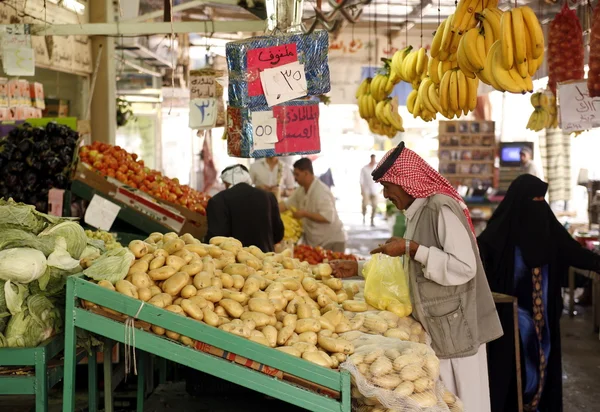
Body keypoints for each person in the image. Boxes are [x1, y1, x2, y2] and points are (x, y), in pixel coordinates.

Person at [331, 142, 502, 411]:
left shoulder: (439, 209)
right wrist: (359, 268)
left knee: (465, 400)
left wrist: (413, 248)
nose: (386, 194)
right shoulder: (417, 211)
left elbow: (464, 266)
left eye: (388, 186)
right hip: (437, 327)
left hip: (456, 329)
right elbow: (409, 268)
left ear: (406, 181)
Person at [478, 174, 600, 412]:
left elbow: (575, 253)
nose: (538, 204)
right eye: (533, 199)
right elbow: (476, 263)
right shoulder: (497, 236)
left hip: (544, 321)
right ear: (518, 201)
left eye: (541, 198)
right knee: (507, 366)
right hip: (507, 320)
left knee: (540, 364)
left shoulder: (550, 231)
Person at [204, 164, 284, 253]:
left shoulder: (217, 200)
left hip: (234, 263)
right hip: (265, 260)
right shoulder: (268, 197)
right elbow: (278, 234)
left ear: (226, 182)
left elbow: (214, 239)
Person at [281, 158, 346, 252]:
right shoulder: (300, 190)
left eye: (297, 174)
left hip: (332, 241)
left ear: (306, 173)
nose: (295, 178)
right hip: (316, 241)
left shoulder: (321, 191)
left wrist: (304, 214)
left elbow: (327, 217)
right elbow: (286, 205)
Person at [360, 154, 379, 226]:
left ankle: (372, 220)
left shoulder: (377, 168)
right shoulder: (364, 168)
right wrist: (362, 190)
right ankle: (364, 216)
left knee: (374, 205)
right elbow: (361, 180)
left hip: (374, 190)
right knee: (364, 204)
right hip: (366, 190)